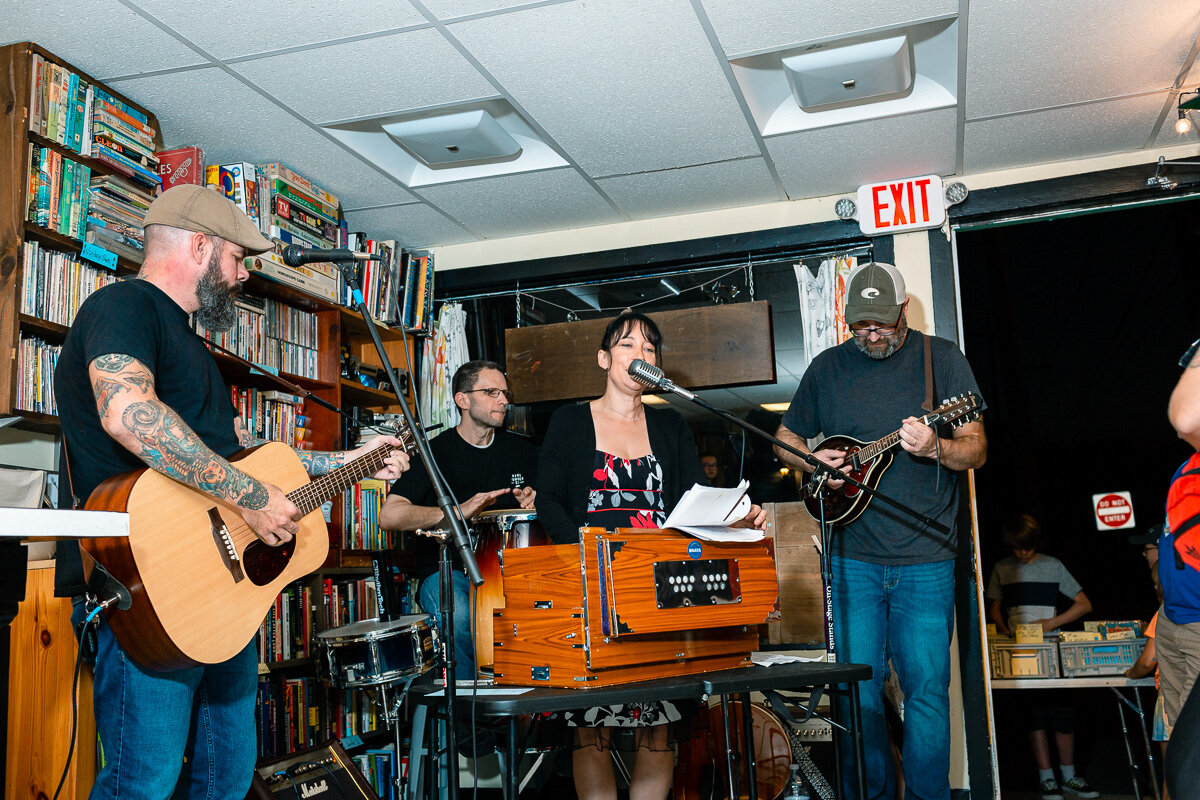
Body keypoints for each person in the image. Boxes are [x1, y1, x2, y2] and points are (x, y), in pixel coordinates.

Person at [52, 185, 410, 800]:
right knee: (144, 780)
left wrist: (349, 462)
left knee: (227, 777)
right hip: (150, 587)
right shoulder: (124, 306)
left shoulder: (189, 342)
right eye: (238, 258)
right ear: (199, 245)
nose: (243, 276)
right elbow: (125, 411)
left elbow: (238, 461)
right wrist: (248, 494)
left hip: (221, 597)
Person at [772, 262, 987, 800]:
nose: (870, 335)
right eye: (859, 326)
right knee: (857, 697)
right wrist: (811, 458)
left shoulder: (944, 361)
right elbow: (783, 440)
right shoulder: (827, 368)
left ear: (902, 313)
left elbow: (976, 447)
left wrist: (936, 446)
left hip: (927, 558)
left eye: (881, 325)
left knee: (927, 695)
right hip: (851, 559)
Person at [537, 311, 766, 800]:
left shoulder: (670, 424)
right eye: (626, 346)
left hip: (657, 590)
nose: (639, 356)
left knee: (657, 728)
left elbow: (689, 506)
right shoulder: (570, 421)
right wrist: (584, 554)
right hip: (591, 585)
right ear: (604, 359)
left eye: (648, 349)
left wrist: (733, 518)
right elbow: (551, 502)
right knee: (590, 728)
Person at [377, 359, 538, 679]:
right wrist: (456, 512)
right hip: (448, 572)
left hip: (509, 573)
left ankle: (518, 716)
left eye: (505, 393)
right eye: (492, 392)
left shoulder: (523, 451)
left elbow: (551, 505)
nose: (503, 400)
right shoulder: (434, 453)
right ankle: (471, 721)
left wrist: (534, 503)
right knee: (461, 620)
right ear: (462, 400)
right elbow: (388, 514)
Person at [985, 514, 1099, 800]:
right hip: (1019, 652)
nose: (1022, 554)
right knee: (1034, 716)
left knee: (1062, 714)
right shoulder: (1002, 567)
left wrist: (1050, 623)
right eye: (1017, 548)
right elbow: (994, 607)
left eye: (1027, 548)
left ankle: (1069, 776)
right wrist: (1004, 629)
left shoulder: (1053, 565)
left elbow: (1084, 604)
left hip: (1050, 650)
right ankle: (1046, 778)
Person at [1162, 335, 1200, 800]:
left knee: (1189, 772)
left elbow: (1187, 415)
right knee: (1182, 760)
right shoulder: (1187, 472)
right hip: (1176, 617)